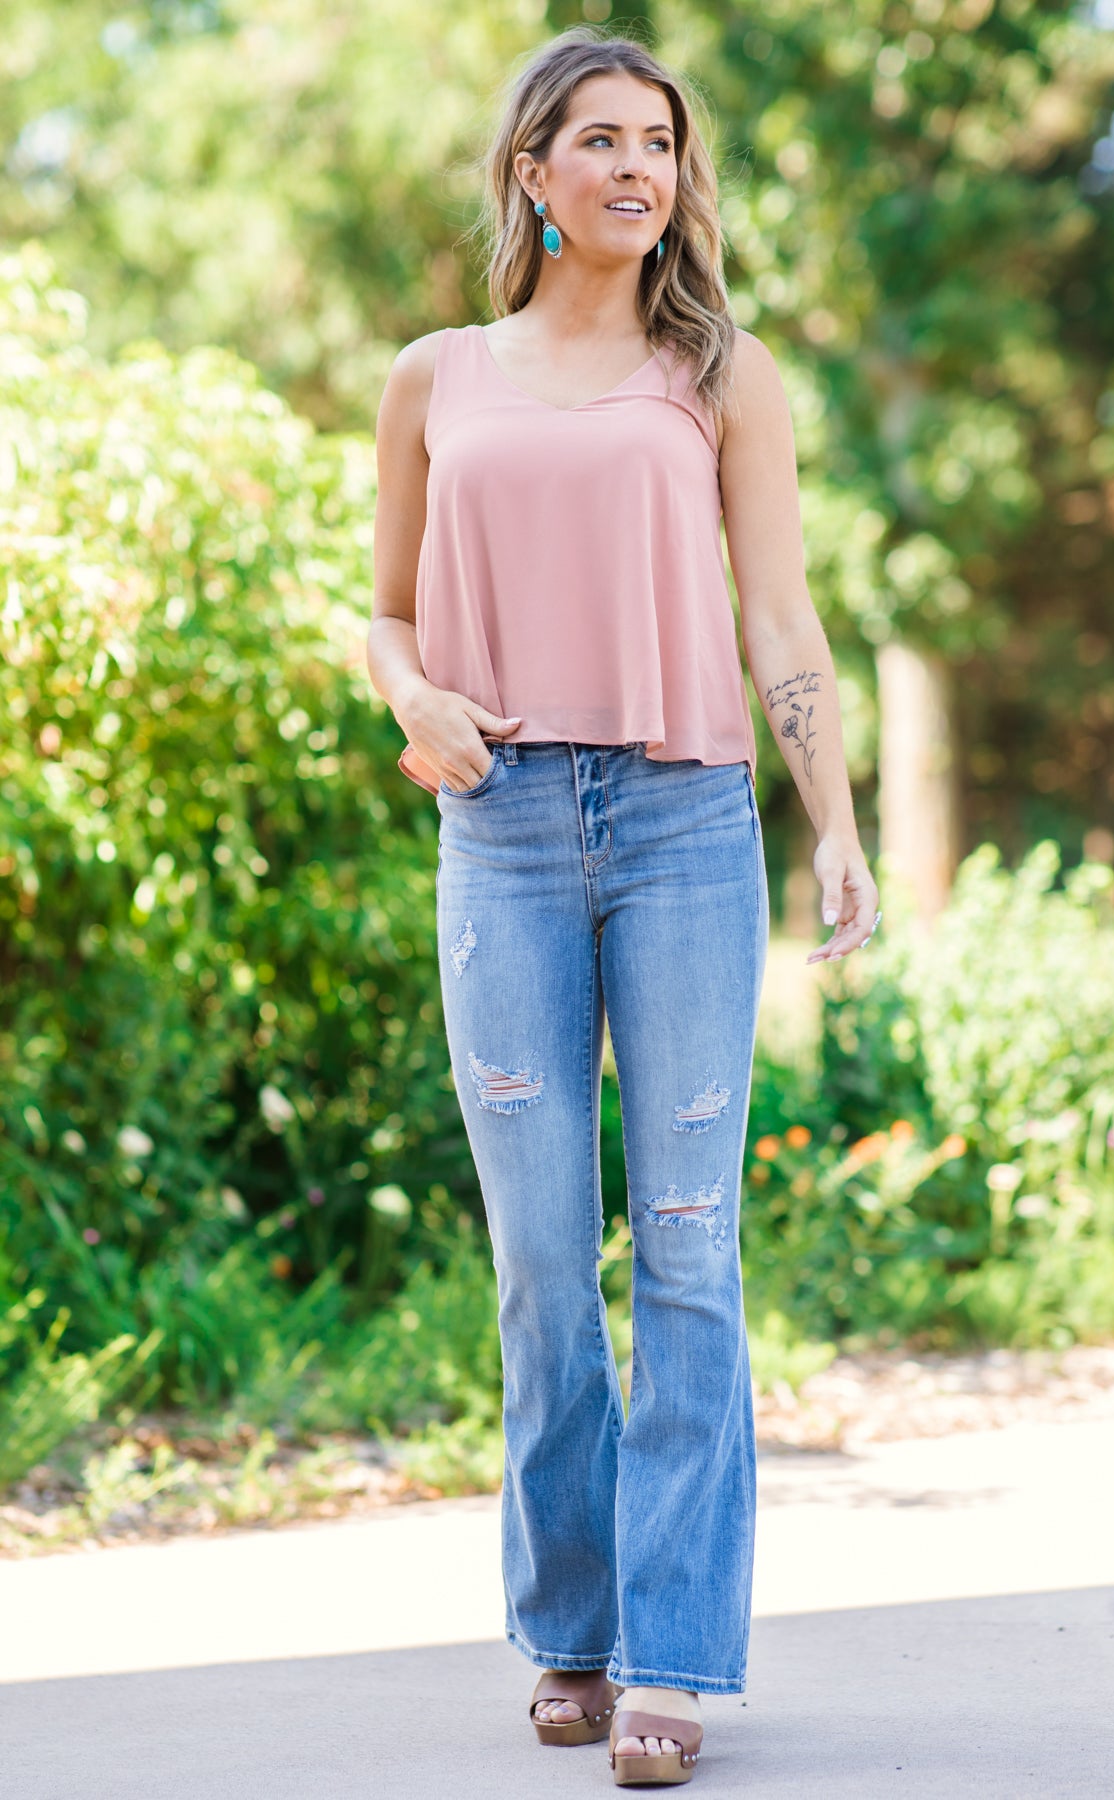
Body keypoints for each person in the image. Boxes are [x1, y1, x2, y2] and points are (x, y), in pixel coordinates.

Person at [367, 27, 880, 1788]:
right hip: (501, 830)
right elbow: (384, 612)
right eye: (597, 139)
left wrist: (833, 824)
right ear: (534, 172)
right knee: (537, 1269)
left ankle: (671, 1656)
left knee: (686, 1245)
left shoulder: (722, 376)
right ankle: (569, 1631)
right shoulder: (438, 376)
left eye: (658, 141)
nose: (635, 166)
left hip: (680, 827)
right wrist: (412, 699)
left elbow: (784, 621)